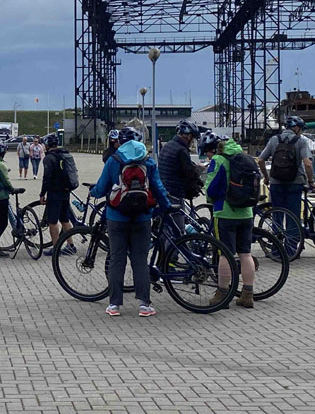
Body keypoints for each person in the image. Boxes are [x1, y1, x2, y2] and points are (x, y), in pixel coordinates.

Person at [91, 127, 171, 317]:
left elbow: (102, 187)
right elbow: (158, 188)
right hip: (142, 217)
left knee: (117, 259)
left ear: (120, 142)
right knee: (140, 260)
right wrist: (166, 205)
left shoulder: (113, 160)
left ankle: (114, 305)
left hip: (116, 217)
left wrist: (93, 192)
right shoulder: (148, 161)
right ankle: (144, 305)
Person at [200, 131, 257, 308]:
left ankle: (222, 295)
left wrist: (210, 198)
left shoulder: (219, 160)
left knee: (224, 254)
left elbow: (210, 189)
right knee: (245, 253)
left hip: (225, 213)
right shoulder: (245, 157)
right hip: (246, 212)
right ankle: (247, 294)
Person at [257, 116, 315, 251]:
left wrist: (266, 177)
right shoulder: (300, 141)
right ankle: (290, 250)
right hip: (295, 182)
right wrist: (311, 181)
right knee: (293, 216)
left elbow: (260, 160)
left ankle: (277, 250)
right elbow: (307, 163)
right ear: (296, 128)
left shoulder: (274, 139)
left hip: (276, 182)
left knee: (277, 215)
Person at [157, 120, 202, 233]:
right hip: (174, 194)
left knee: (166, 230)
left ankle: (165, 251)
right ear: (188, 136)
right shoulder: (181, 150)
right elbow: (189, 172)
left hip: (163, 192)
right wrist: (198, 169)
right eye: (193, 138)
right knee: (177, 231)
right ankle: (174, 251)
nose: (192, 142)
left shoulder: (169, 146)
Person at [40, 133, 76, 256]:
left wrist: (42, 193)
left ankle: (56, 248)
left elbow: (47, 178)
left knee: (53, 221)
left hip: (55, 193)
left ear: (47, 145)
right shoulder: (64, 154)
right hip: (66, 191)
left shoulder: (49, 158)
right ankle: (71, 245)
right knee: (65, 219)